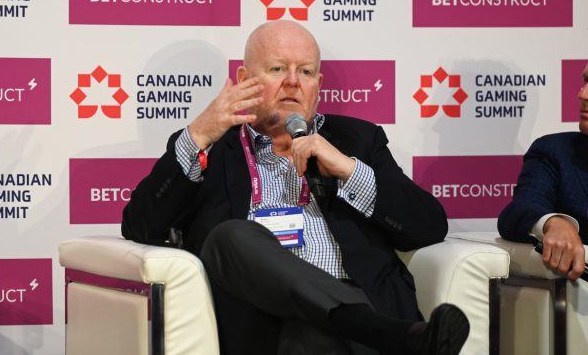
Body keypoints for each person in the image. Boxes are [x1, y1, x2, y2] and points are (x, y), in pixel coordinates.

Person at [122, 20, 469, 354]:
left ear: (318, 84)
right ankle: (374, 327)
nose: (292, 82)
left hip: (364, 328)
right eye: (277, 69)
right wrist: (198, 134)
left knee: (311, 336)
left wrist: (349, 170)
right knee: (231, 237)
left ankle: (358, 322)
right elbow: (141, 225)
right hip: (266, 330)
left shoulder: (358, 141)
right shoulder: (213, 151)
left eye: (305, 72)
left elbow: (428, 227)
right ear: (244, 80)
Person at [498, 62, 588, 281]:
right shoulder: (555, 152)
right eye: (585, 81)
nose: (582, 94)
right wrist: (553, 223)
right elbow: (519, 210)